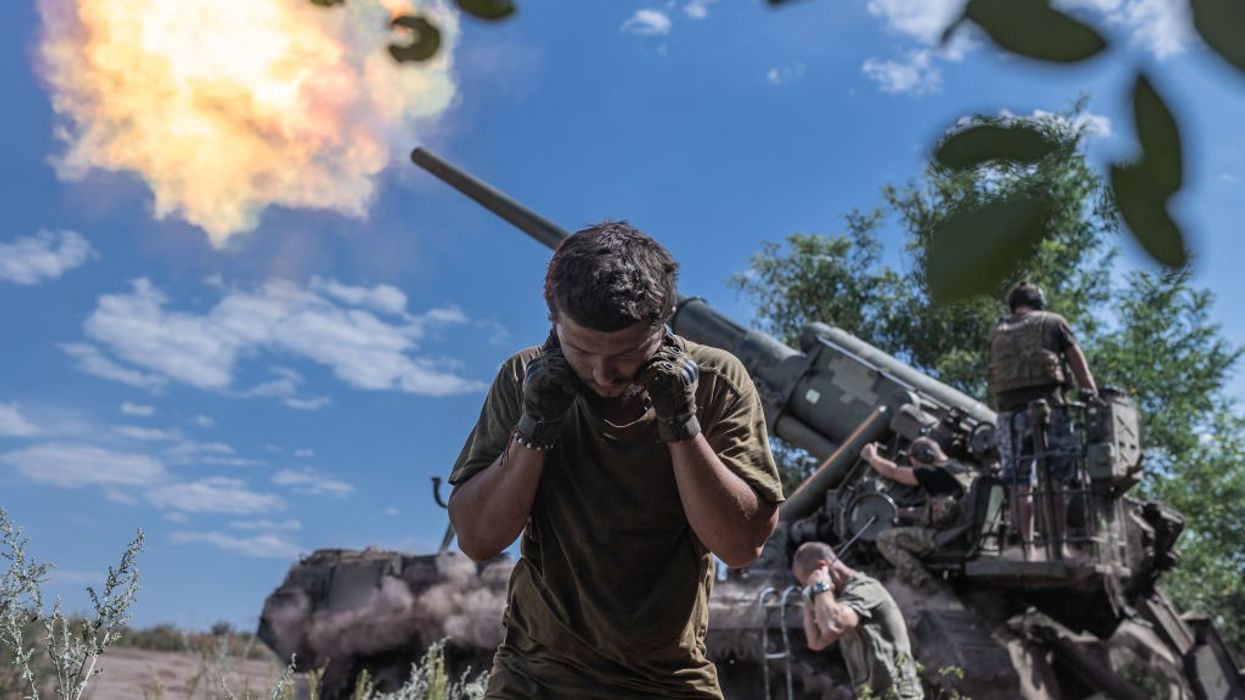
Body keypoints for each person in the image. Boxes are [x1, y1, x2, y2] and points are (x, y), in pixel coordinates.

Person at [447, 221, 785, 699]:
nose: (603, 374)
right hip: (537, 678)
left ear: (663, 322)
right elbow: (477, 538)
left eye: (627, 354)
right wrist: (534, 426)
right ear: (553, 322)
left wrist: (681, 424)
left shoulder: (715, 381)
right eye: (581, 351)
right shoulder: (523, 379)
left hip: (667, 680)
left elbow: (740, 546)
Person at [987, 281, 1097, 560]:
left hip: (1009, 415)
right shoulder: (1054, 322)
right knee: (1057, 478)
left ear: (1012, 305)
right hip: (1050, 409)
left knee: (1019, 482)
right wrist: (1091, 393)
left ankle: (1029, 549)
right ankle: (1058, 546)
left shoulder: (997, 330)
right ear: (1040, 303)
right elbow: (1076, 361)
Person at [791, 541, 924, 699]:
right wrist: (808, 597)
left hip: (897, 695)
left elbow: (833, 625)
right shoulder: (839, 599)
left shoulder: (865, 589)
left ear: (823, 566)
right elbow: (815, 641)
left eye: (809, 583)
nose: (812, 589)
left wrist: (821, 587)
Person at [861, 437, 972, 590]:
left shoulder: (931, 472)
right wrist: (905, 513)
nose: (916, 467)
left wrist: (872, 457)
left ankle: (925, 584)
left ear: (925, 456)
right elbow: (942, 508)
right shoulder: (962, 469)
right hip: (968, 531)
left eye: (914, 463)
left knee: (884, 538)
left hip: (950, 538)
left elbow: (894, 472)